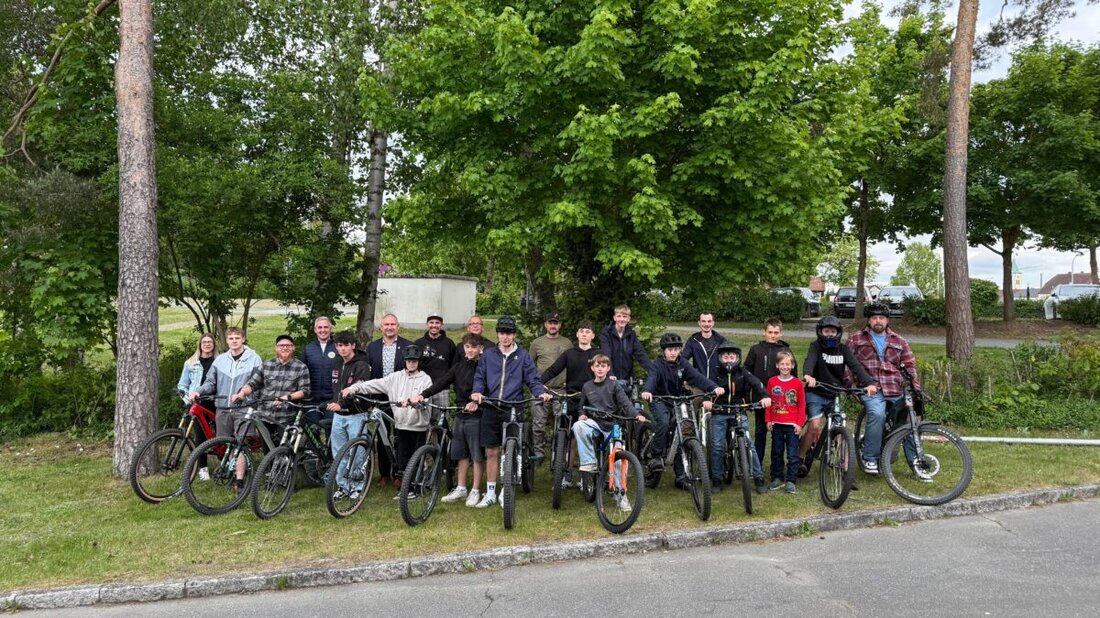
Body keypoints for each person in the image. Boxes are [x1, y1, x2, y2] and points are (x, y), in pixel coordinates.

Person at [470, 315, 552, 508]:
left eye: (508, 333)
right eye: (501, 333)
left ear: (513, 335)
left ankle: (507, 489)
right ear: (497, 334)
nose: (505, 337)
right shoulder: (489, 354)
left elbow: (533, 379)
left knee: (511, 451)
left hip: (514, 406)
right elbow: (480, 377)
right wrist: (477, 392)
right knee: (491, 451)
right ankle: (490, 492)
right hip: (491, 406)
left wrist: (540, 393)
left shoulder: (522, 356)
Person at [342, 344, 433, 495]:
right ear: (405, 361)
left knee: (415, 457)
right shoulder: (395, 377)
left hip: (418, 425)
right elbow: (374, 384)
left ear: (418, 362)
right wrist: (353, 388)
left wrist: (415, 401)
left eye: (414, 361)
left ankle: (416, 487)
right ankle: (406, 489)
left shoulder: (425, 379)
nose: (411, 363)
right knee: (403, 457)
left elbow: (426, 399)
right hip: (401, 424)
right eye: (409, 361)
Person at [847, 302, 925, 478]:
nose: (878, 321)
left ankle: (917, 463)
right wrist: (851, 387)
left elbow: (910, 366)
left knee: (909, 421)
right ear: (869, 320)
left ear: (887, 320)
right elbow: (848, 365)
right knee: (877, 413)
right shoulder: (856, 339)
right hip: (869, 388)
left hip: (895, 388)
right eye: (874, 317)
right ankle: (871, 458)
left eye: (881, 317)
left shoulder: (899, 341)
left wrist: (915, 388)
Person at [408, 333, 486, 507]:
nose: (470, 350)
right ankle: (461, 488)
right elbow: (442, 382)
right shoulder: (458, 367)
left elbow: (488, 389)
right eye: (467, 347)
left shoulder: (485, 367)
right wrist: (422, 395)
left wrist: (476, 402)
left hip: (477, 416)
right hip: (460, 414)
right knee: (461, 454)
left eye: (474, 347)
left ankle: (475, 490)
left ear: (481, 348)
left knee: (477, 455)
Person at [641, 333, 725, 489]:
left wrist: (713, 387)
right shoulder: (657, 365)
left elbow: (698, 377)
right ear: (664, 351)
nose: (673, 353)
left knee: (681, 432)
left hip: (677, 401)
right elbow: (651, 379)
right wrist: (647, 391)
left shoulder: (683, 364)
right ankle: (656, 455)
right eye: (670, 350)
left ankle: (680, 477)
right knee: (664, 423)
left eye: (676, 349)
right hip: (659, 400)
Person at [227, 334, 311, 492]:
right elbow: (253, 383)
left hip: (287, 416)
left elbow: (305, 391)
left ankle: (286, 480)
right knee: (268, 450)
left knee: (284, 449)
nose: (284, 348)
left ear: (293, 348)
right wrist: (241, 393)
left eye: (288, 345)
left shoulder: (300, 367)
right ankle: (271, 477)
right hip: (265, 414)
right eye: (281, 345)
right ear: (276, 348)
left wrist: (287, 397)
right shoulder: (267, 365)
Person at [572, 354, 648, 511]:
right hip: (594, 423)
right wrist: (581, 414)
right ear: (592, 368)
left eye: (603, 366)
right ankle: (589, 462)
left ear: (608, 368)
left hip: (612, 424)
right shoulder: (587, 386)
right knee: (578, 426)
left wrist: (636, 414)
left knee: (619, 459)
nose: (600, 369)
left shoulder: (614, 385)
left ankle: (621, 495)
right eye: (597, 366)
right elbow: (581, 406)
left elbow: (625, 403)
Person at [800, 315, 876, 472]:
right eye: (826, 331)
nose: (829, 334)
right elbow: (810, 361)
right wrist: (808, 375)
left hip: (835, 394)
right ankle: (798, 459)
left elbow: (856, 366)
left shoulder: (844, 350)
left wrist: (868, 383)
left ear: (838, 333)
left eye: (832, 331)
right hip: (816, 393)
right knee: (814, 426)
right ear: (820, 332)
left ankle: (845, 469)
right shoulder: (815, 347)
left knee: (841, 428)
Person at [701, 342, 770, 494]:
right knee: (718, 446)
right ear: (720, 358)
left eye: (732, 357)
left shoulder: (743, 372)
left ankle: (758, 477)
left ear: (737, 358)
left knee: (749, 444)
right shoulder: (715, 372)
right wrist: (707, 399)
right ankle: (717, 478)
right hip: (719, 412)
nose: (729, 360)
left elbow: (757, 384)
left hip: (739, 411)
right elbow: (707, 386)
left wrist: (765, 396)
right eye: (725, 357)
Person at [540, 319, 601, 488]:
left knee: (590, 438)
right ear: (577, 334)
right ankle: (566, 475)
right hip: (573, 398)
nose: (584, 334)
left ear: (592, 335)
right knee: (570, 438)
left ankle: (586, 477)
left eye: (587, 332)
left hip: (592, 401)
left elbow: (607, 372)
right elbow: (553, 370)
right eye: (581, 331)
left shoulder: (597, 354)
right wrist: (538, 383)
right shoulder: (569, 353)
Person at [365, 313, 413, 487]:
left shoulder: (408, 345)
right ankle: (384, 473)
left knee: (401, 436)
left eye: (393, 324)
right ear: (381, 328)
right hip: (380, 399)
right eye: (386, 324)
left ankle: (400, 473)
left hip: (401, 398)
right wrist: (370, 400)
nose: (390, 327)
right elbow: (369, 375)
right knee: (382, 435)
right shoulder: (372, 347)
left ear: (398, 327)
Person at [191, 327, 263, 439]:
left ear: (243, 339)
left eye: (237, 338)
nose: (234, 341)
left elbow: (258, 384)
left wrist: (251, 403)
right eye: (231, 338)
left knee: (241, 445)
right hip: (222, 409)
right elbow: (210, 382)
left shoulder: (254, 359)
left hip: (244, 408)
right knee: (225, 445)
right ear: (227, 340)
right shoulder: (220, 360)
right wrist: (198, 391)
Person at [325, 330, 372, 500]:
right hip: (339, 416)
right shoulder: (337, 363)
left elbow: (359, 389)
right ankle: (343, 486)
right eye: (339, 345)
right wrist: (334, 403)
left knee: (357, 452)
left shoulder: (362, 365)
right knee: (339, 453)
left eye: (346, 345)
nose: (342, 349)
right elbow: (336, 388)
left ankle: (357, 487)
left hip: (357, 415)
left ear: (353, 345)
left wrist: (342, 404)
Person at [744, 318, 797, 470]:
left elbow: (793, 375)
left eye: (776, 333)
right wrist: (747, 395)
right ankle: (757, 466)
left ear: (781, 333)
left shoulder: (785, 351)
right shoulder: (756, 349)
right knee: (760, 432)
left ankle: (777, 468)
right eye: (770, 332)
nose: (772, 336)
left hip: (780, 401)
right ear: (764, 332)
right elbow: (746, 372)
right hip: (761, 398)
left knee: (778, 435)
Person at [528, 312, 573, 461]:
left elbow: (572, 364)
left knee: (561, 423)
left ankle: (559, 452)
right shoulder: (537, 343)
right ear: (546, 324)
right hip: (542, 389)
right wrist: (534, 384)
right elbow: (529, 365)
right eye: (550, 322)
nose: (553, 325)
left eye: (556, 323)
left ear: (559, 325)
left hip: (561, 390)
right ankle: (538, 452)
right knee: (539, 424)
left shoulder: (567, 343)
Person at [765, 350, 805, 493]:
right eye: (782, 364)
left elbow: (801, 405)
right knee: (776, 451)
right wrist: (768, 420)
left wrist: (800, 423)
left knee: (792, 453)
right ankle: (777, 477)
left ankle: (791, 480)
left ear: (792, 365)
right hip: (776, 424)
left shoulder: (797, 383)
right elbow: (768, 402)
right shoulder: (772, 382)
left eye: (788, 364)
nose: (785, 367)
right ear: (777, 365)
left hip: (792, 425)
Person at [599, 304, 651, 388]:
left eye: (624, 316)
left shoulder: (631, 334)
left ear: (628, 319)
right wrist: (610, 374)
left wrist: (652, 371)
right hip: (611, 378)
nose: (621, 319)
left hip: (627, 378)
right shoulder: (606, 333)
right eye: (619, 316)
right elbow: (606, 355)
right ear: (614, 318)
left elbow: (640, 353)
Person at [415, 312, 457, 411]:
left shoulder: (449, 343)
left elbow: (453, 366)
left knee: (440, 421)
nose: (434, 325)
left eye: (437, 323)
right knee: (422, 418)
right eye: (431, 322)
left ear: (441, 325)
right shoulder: (418, 343)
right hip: (422, 387)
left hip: (442, 388)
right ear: (427, 324)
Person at [301, 316, 337, 408]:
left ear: (330, 328)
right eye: (319, 327)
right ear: (315, 330)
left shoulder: (338, 347)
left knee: (329, 422)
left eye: (326, 327)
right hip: (311, 399)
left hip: (333, 399)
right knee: (313, 423)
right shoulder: (308, 348)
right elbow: (301, 373)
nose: (323, 330)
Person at [683, 312, 728, 381]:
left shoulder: (721, 341)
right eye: (703, 321)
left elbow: (729, 361)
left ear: (713, 323)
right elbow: (683, 359)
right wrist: (692, 372)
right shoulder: (693, 340)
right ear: (699, 323)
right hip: (699, 383)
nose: (706, 324)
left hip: (718, 384)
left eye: (709, 321)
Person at [176, 333, 217, 408]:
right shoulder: (190, 363)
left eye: (209, 342)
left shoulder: (220, 362)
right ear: (200, 345)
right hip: (197, 403)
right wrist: (188, 400)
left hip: (216, 403)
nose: (207, 344)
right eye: (204, 342)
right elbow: (182, 385)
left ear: (214, 344)